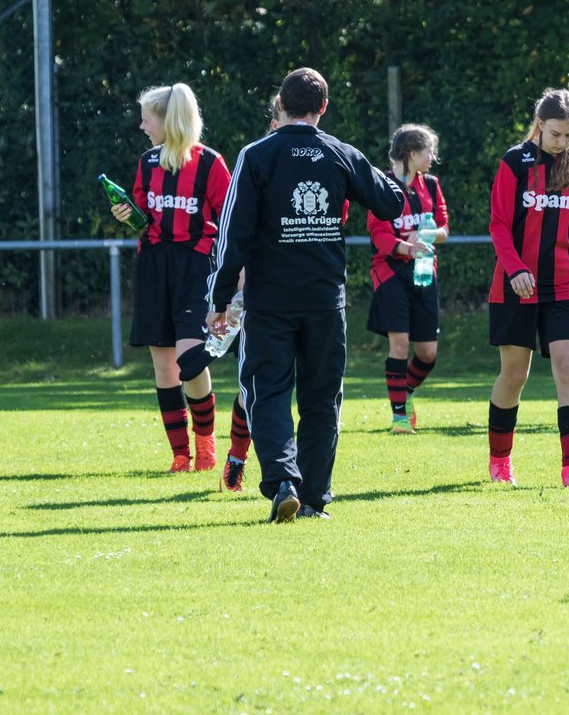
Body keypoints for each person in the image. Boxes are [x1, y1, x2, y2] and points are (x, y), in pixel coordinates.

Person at [207, 67, 404, 522]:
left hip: (269, 300)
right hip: (324, 299)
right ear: (324, 107)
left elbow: (232, 235)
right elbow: (392, 201)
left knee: (267, 391)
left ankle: (282, 483)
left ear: (280, 104)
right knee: (321, 396)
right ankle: (314, 498)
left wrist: (218, 300)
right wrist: (359, 172)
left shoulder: (255, 155)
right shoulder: (341, 153)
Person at [112, 84, 230, 473]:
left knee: (191, 358)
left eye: (148, 118)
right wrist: (129, 215)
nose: (143, 125)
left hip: (196, 267)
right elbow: (143, 212)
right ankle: (181, 454)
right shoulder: (147, 162)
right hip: (154, 266)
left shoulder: (211, 163)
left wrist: (236, 271)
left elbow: (230, 219)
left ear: (169, 120)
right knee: (164, 365)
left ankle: (206, 441)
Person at [486, 88, 569, 489]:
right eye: (556, 134)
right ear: (539, 124)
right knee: (514, 375)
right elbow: (498, 225)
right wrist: (515, 269)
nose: (563, 142)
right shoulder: (514, 162)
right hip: (516, 286)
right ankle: (499, 462)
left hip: (565, 286)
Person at [366, 123, 449, 433]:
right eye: (429, 151)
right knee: (399, 344)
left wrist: (426, 235)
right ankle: (399, 416)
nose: (432, 157)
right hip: (390, 272)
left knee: (427, 353)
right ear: (412, 154)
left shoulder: (432, 185)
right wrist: (407, 246)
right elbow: (379, 234)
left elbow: (443, 227)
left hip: (424, 270)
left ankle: (407, 391)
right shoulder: (383, 186)